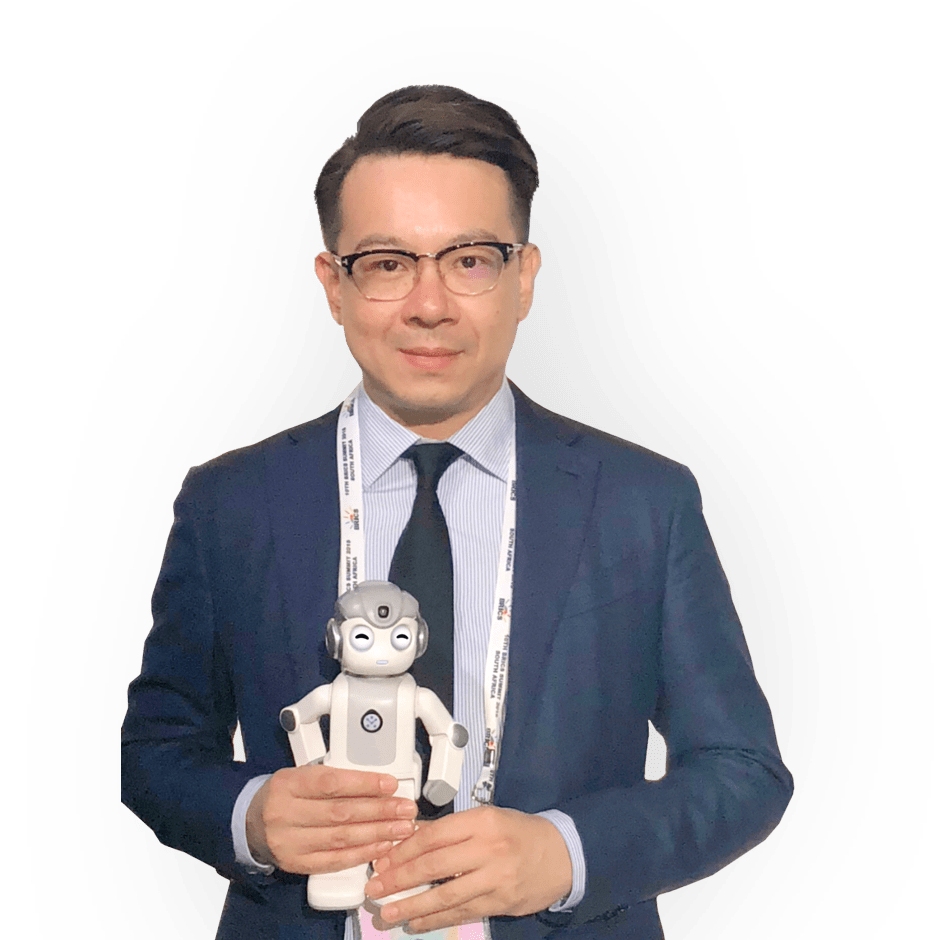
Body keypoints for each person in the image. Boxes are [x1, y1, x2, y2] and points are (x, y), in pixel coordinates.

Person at [120, 85, 794, 940]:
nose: (429, 305)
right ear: (333, 285)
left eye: (470, 260)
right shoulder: (230, 502)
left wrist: (568, 854)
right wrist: (248, 816)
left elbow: (743, 771)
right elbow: (157, 750)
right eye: (387, 263)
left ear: (525, 279)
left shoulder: (643, 501)